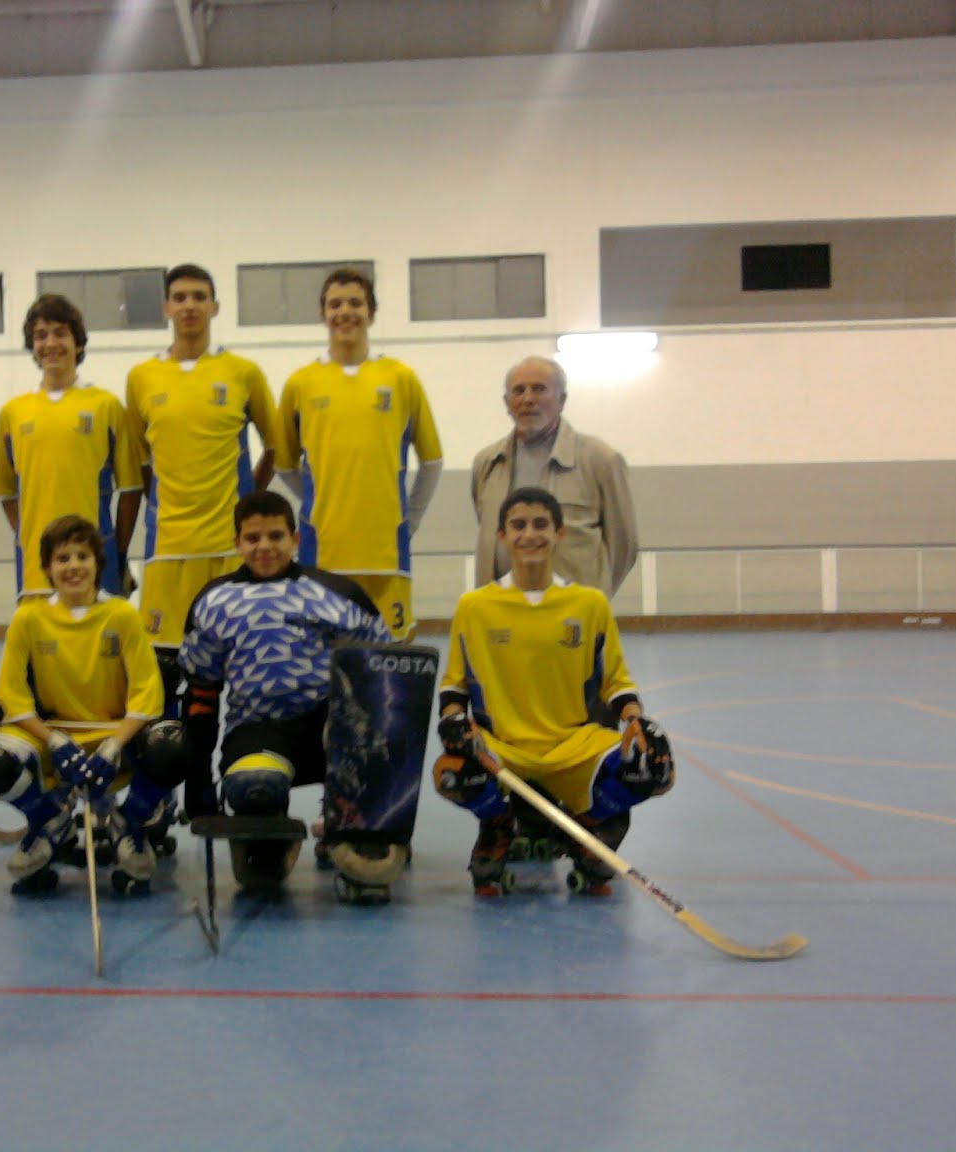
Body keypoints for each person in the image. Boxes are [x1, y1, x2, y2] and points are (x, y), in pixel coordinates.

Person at [432, 486, 674, 897]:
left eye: (540, 524)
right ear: (502, 535)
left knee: (655, 767)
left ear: (559, 533)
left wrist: (635, 719)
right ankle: (498, 827)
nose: (530, 534)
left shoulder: (589, 604)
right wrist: (453, 721)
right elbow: (455, 685)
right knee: (451, 773)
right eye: (518, 525)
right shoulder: (474, 607)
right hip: (503, 747)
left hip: (573, 746)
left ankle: (587, 831)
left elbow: (616, 681)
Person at [124, 263, 281, 808]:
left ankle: (213, 784)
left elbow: (276, 446)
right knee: (165, 681)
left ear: (215, 306)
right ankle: (158, 795)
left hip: (226, 555)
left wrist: (247, 505)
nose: (189, 305)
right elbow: (137, 466)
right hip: (167, 554)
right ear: (166, 308)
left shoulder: (242, 372)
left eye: (199, 296)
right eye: (179, 297)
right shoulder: (142, 378)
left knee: (226, 678)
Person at [178, 490, 390, 886]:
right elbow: (201, 693)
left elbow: (384, 672)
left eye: (276, 536)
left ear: (295, 539)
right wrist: (198, 779)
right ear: (237, 542)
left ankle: (347, 820)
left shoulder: (338, 595)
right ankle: (270, 832)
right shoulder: (214, 602)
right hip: (257, 729)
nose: (264, 547)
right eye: (252, 537)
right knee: (253, 793)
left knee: (363, 736)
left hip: (327, 729)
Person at [0, 514, 188, 894]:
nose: (73, 566)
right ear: (47, 568)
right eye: (62, 558)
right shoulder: (28, 619)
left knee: (173, 744)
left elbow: (147, 692)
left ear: (98, 564)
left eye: (82, 556)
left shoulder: (122, 614)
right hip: (56, 733)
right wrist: (53, 740)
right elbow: (12, 695)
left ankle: (128, 824)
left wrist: (114, 746)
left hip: (113, 733)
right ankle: (50, 820)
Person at [274, 267, 443, 642]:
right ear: (322, 314)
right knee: (324, 659)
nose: (345, 311)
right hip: (324, 554)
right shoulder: (301, 383)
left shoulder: (400, 378)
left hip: (387, 554)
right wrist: (318, 502)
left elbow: (432, 462)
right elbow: (284, 465)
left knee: (391, 657)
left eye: (355, 303)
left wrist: (409, 521)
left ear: (372, 313)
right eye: (335, 304)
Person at [0, 294, 142, 601]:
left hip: (96, 568)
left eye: (60, 333)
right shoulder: (13, 413)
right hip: (36, 573)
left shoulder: (107, 406)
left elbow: (131, 490)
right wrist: (31, 538)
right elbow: (7, 493)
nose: (50, 343)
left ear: (78, 343)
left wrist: (116, 550)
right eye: (40, 335)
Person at [470, 356, 637, 595]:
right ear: (507, 402)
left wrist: (593, 598)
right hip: (501, 609)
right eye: (519, 390)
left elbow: (624, 545)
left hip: (572, 612)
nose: (528, 399)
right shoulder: (487, 463)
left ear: (562, 400)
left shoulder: (600, 460)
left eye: (539, 389)